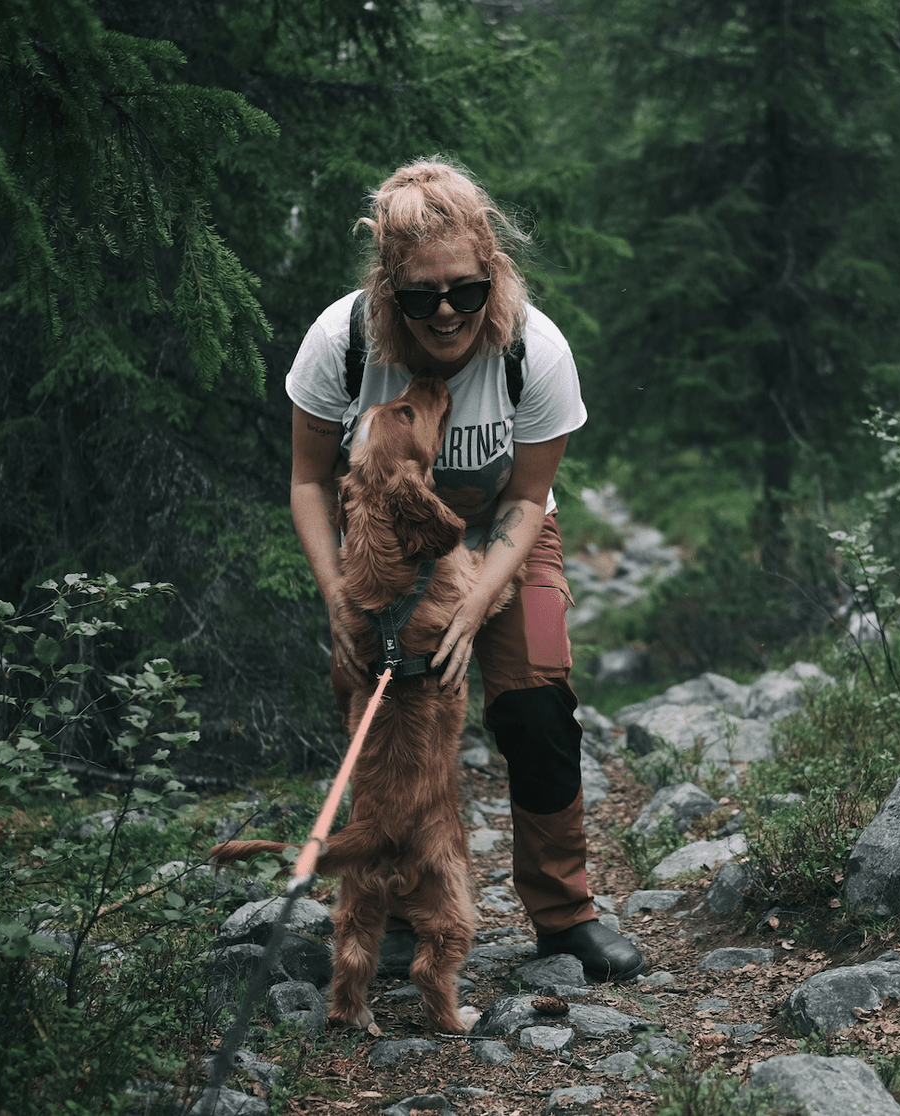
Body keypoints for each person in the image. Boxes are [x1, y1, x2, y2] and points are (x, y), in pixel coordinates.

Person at [284, 159, 643, 983]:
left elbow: (527, 500)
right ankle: (407, 915)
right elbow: (308, 481)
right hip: (388, 560)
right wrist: (339, 598)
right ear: (388, 290)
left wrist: (477, 604)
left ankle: (564, 917)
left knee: (536, 705)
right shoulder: (340, 344)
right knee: (392, 727)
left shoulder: (535, 350)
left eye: (464, 291)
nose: (445, 312)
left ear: (493, 270)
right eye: (420, 296)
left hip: (507, 542)